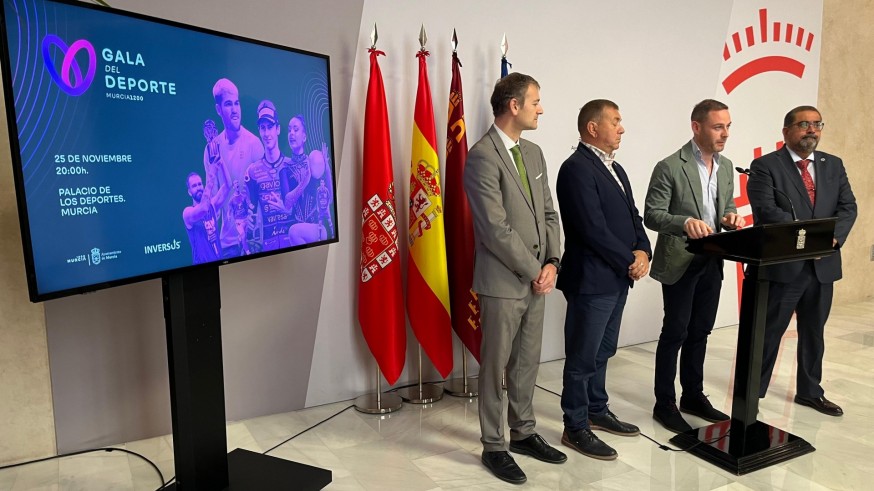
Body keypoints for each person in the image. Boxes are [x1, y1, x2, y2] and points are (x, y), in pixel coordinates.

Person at [463, 72, 565, 485]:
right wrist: (533, 270)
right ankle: (494, 445)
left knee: (526, 363)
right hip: (503, 283)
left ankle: (523, 433)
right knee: (496, 367)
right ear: (514, 106)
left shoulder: (536, 154)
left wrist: (553, 262)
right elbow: (494, 228)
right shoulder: (482, 156)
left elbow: (549, 214)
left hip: (538, 279)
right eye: (536, 102)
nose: (542, 109)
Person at [555, 99, 651, 461]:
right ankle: (575, 425)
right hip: (592, 281)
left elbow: (633, 216)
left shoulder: (617, 169)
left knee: (604, 351)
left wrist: (643, 251)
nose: (622, 128)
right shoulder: (576, 168)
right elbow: (591, 228)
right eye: (615, 121)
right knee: (582, 356)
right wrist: (630, 260)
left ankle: (597, 409)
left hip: (616, 278)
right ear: (592, 128)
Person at [643, 99, 746, 433]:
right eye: (718, 127)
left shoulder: (727, 166)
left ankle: (693, 395)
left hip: (713, 260)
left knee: (701, 331)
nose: (725, 134)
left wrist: (731, 218)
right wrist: (684, 221)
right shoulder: (670, 166)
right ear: (696, 126)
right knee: (675, 332)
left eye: (728, 126)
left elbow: (724, 206)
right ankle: (664, 403)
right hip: (680, 260)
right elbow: (652, 214)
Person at [748, 105, 857, 416]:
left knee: (814, 332)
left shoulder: (833, 165)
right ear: (786, 132)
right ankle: (752, 393)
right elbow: (769, 211)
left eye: (817, 124)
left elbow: (848, 207)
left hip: (823, 266)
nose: (812, 130)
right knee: (770, 331)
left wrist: (833, 238)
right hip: (786, 265)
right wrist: (815, 239)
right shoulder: (765, 166)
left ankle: (810, 392)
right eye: (804, 124)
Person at [203, 78, 264, 258]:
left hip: (255, 242)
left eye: (237, 103)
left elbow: (265, 196)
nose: (235, 110)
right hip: (227, 245)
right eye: (229, 104)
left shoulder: (254, 144)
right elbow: (213, 203)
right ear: (218, 109)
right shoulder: (211, 150)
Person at [244, 100, 293, 252]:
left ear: (278, 129)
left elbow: (303, 210)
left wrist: (287, 210)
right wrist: (248, 221)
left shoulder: (291, 167)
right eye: (263, 128)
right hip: (266, 250)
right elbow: (249, 212)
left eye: (270, 127)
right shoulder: (252, 172)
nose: (266, 133)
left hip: (294, 247)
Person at [281, 114, 332, 244]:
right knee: (293, 232)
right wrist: (305, 181)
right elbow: (287, 204)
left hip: (317, 228)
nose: (291, 133)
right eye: (289, 130)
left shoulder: (313, 161)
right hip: (296, 230)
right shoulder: (284, 168)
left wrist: (326, 168)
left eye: (295, 129)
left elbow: (330, 199)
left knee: (294, 231)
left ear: (304, 137)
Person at [183, 152, 231, 264]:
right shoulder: (187, 213)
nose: (199, 188)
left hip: (220, 263)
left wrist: (221, 161)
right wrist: (211, 174)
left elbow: (228, 185)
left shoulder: (212, 206)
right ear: (189, 192)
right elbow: (203, 209)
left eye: (200, 184)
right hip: (201, 269)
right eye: (194, 186)